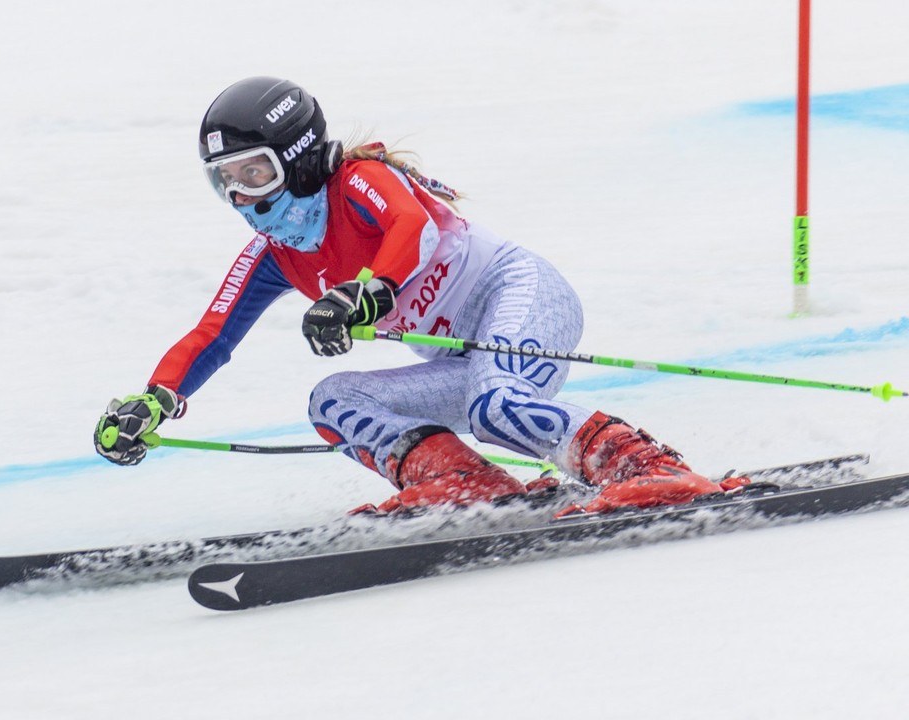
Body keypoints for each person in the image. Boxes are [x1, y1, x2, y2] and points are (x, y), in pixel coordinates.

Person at [94, 76, 744, 516]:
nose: (243, 198)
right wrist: (151, 403)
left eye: (255, 173)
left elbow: (412, 225)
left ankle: (641, 468)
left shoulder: (359, 181)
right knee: (333, 399)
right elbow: (210, 335)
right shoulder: (273, 257)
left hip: (518, 299)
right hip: (459, 361)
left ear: (296, 158)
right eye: (225, 183)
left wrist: (367, 294)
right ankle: (464, 484)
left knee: (497, 406)